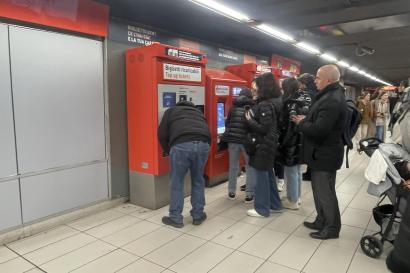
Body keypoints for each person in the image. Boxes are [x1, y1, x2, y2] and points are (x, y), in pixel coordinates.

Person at [292, 65, 347, 239]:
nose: (314, 80)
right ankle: (321, 220)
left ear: (328, 80)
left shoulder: (331, 99)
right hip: (320, 154)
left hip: (325, 155)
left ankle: (331, 228)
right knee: (318, 190)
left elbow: (320, 130)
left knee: (325, 193)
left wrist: (301, 123)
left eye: (317, 77)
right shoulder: (328, 95)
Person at [158, 100, 211, 228]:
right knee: (198, 180)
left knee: (177, 181)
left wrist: (168, 149)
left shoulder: (171, 111)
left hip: (181, 145)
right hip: (203, 144)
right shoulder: (198, 112)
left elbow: (161, 133)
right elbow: (207, 131)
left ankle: (175, 218)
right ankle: (198, 215)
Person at [245, 72, 283, 217]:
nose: (255, 89)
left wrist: (250, 120)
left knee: (261, 176)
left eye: (257, 86)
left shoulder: (266, 104)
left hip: (263, 144)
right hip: (269, 143)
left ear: (264, 87)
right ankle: (275, 204)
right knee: (268, 175)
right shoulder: (274, 101)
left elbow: (264, 128)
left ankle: (262, 209)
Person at [279, 77, 311, 210]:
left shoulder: (291, 103)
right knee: (297, 171)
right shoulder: (303, 99)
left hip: (291, 141)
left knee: (291, 171)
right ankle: (296, 197)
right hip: (300, 140)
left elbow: (290, 125)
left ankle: (292, 201)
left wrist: (283, 142)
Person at [221, 88, 256, 203]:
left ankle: (231, 193)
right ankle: (249, 195)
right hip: (246, 141)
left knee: (233, 167)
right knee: (249, 166)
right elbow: (253, 125)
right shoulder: (252, 107)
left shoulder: (233, 107)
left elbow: (227, 123)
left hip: (233, 140)